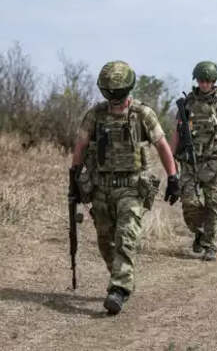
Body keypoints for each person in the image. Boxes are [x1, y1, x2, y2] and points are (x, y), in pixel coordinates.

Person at [70, 60, 180, 315]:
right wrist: (75, 180)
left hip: (132, 187)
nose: (115, 98)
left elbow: (162, 145)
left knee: (126, 236)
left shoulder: (142, 114)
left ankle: (118, 288)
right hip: (101, 187)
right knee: (105, 241)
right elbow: (81, 146)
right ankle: (123, 277)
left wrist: (173, 177)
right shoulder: (95, 115)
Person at [170, 61, 217, 261]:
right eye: (201, 80)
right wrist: (171, 157)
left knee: (215, 204)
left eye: (208, 81)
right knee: (189, 202)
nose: (204, 84)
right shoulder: (187, 102)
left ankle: (212, 244)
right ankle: (201, 231)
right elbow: (177, 131)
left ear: (214, 81)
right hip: (191, 161)